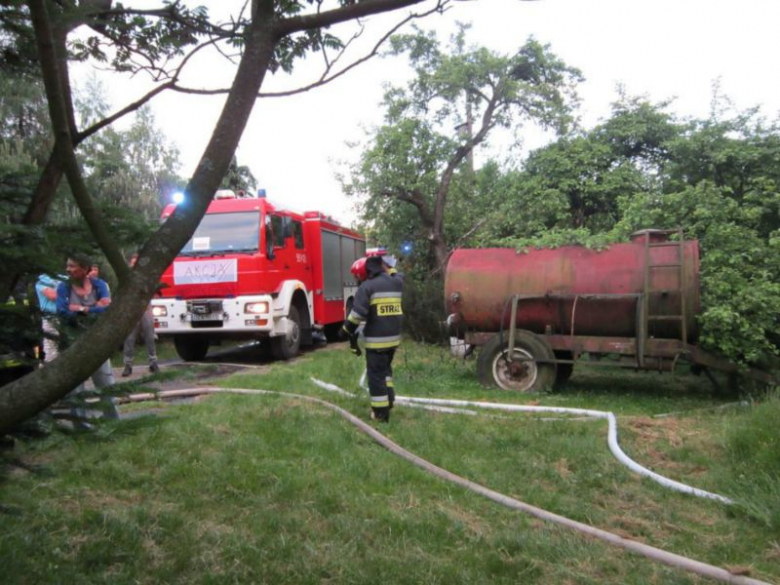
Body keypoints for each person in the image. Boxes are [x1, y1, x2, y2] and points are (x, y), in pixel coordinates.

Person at [56, 253, 119, 426]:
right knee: (75, 388)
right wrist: (92, 308)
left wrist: (80, 309)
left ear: (84, 268)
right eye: (67, 266)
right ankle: (80, 426)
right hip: (72, 342)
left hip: (98, 342)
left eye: (72, 266)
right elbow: (62, 311)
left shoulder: (100, 286)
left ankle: (113, 422)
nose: (68, 269)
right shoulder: (63, 287)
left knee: (106, 382)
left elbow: (107, 309)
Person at [342, 255, 404, 423]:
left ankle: (380, 413)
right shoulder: (395, 282)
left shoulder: (367, 287)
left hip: (377, 341)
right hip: (393, 340)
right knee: (385, 372)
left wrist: (346, 329)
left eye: (357, 276)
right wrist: (389, 268)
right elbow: (398, 274)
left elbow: (357, 315)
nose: (357, 279)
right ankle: (389, 400)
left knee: (375, 376)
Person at [122, 252, 159, 376]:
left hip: (145, 310)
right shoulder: (126, 278)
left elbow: (151, 292)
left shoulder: (146, 277)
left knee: (150, 336)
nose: (135, 265)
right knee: (129, 339)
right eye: (133, 263)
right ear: (129, 264)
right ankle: (128, 365)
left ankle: (153, 362)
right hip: (131, 312)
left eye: (137, 262)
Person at [34, 273, 64, 362]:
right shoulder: (42, 281)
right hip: (51, 317)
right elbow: (53, 296)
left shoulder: (65, 277)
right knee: (51, 348)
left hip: (67, 316)